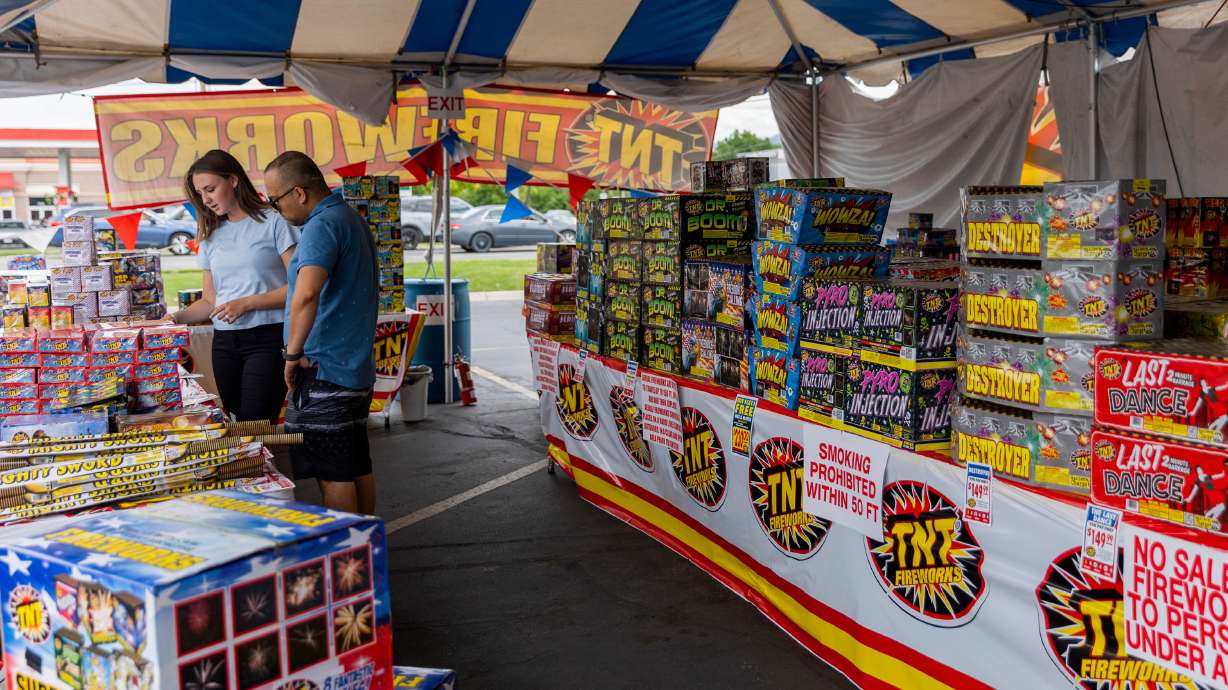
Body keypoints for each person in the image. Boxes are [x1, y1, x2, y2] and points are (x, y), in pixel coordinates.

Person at [263, 151, 378, 514]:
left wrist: (292, 354)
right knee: (356, 464)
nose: (275, 208)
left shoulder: (321, 225)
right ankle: (366, 547)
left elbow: (306, 292)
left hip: (324, 368)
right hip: (352, 368)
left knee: (334, 475)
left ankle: (349, 557)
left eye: (274, 199)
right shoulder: (348, 217)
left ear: (298, 193)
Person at [174, 150, 299, 423]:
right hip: (225, 343)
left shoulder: (274, 222)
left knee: (254, 423)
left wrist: (248, 303)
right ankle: (254, 467)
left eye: (210, 189)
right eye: (200, 193)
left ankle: (261, 467)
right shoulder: (210, 234)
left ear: (233, 180)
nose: (205, 199)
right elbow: (210, 301)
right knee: (235, 422)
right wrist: (173, 318)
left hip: (268, 339)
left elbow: (300, 287)